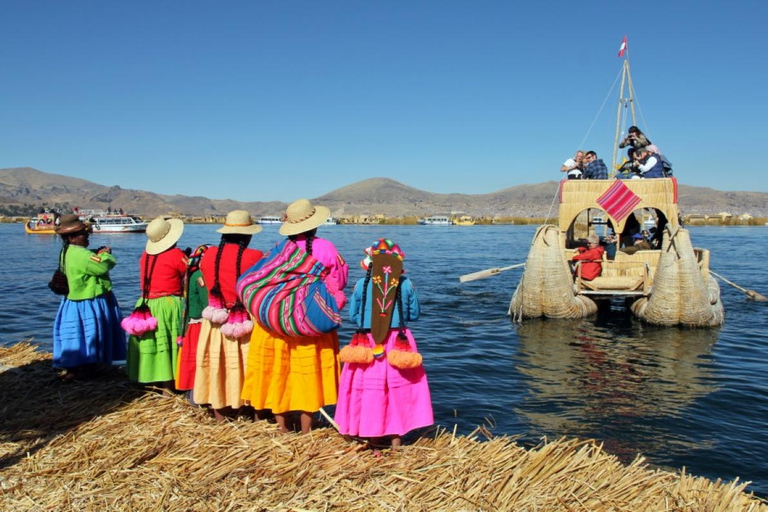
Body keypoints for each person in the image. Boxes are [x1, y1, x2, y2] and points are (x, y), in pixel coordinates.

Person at [241, 199, 348, 433]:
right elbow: (339, 282)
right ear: (315, 224)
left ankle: (283, 427)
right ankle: (307, 429)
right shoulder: (326, 248)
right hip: (309, 325)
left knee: (280, 374)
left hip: (275, 324)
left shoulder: (278, 249)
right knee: (306, 376)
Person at [334, 239, 433, 448]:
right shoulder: (405, 283)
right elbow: (414, 314)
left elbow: (353, 315)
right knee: (397, 389)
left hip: (368, 344)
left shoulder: (362, 284)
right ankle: (396, 439)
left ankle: (373, 437)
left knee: (370, 389)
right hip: (398, 343)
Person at [193, 211, 263, 421]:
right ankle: (253, 410)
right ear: (247, 235)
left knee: (219, 363)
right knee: (246, 363)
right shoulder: (255, 257)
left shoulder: (209, 255)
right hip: (244, 320)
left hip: (216, 319)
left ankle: (219, 412)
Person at [52, 214, 125, 379]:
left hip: (72, 300)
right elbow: (102, 266)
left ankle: (75, 367)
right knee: (89, 334)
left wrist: (95, 252)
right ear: (72, 238)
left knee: (77, 335)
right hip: (87, 301)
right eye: (84, 235)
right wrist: (105, 254)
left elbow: (86, 258)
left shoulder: (67, 251)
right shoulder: (81, 255)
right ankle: (88, 367)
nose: (88, 238)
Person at [125, 216, 187, 390]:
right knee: (168, 342)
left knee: (151, 342)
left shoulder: (145, 256)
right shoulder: (176, 254)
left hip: (146, 303)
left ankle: (150, 381)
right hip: (168, 304)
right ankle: (169, 384)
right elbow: (187, 274)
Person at [175, 244, 210, 397]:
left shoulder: (191, 274)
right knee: (199, 358)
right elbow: (205, 300)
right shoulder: (200, 276)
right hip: (199, 323)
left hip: (191, 322)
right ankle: (197, 395)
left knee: (191, 358)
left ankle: (191, 393)